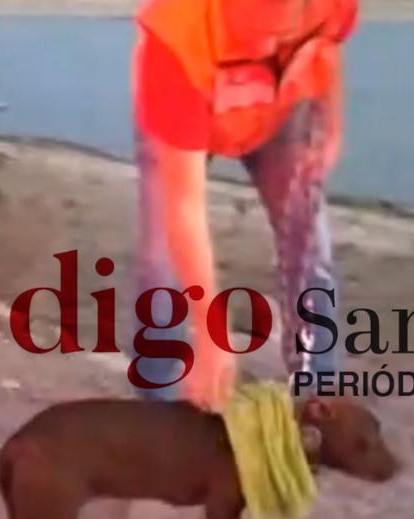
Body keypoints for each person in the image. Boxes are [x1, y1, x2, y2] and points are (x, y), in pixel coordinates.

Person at [128, 0, 358, 411]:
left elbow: (328, 45)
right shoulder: (178, 33)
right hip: (190, 98)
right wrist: (211, 336)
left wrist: (333, 123)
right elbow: (185, 207)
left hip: (281, 108)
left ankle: (318, 397)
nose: (271, 35)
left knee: (310, 247)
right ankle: (157, 404)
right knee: (161, 261)